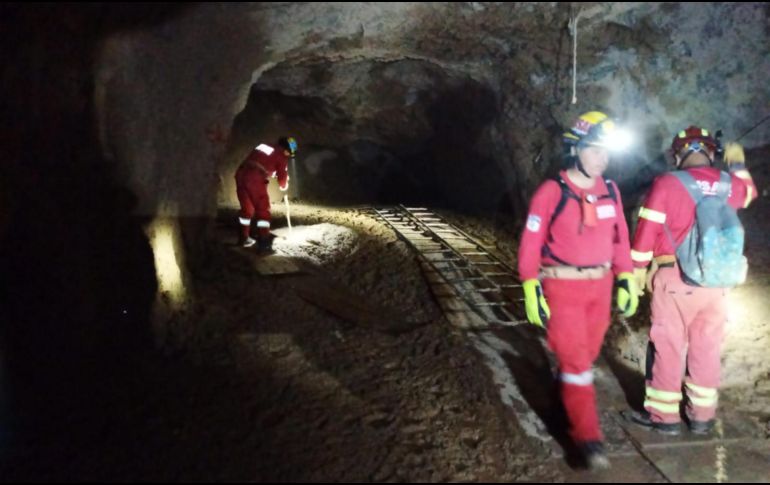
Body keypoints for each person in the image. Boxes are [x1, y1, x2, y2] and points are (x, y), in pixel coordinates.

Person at [517, 111, 638, 470]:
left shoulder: (610, 191)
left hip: (599, 288)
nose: (602, 159)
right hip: (562, 285)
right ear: (576, 150)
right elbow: (531, 241)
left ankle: (563, 396)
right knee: (577, 364)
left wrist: (627, 276)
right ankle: (587, 439)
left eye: (606, 152)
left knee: (586, 354)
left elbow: (619, 237)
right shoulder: (552, 191)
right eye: (594, 150)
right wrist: (529, 284)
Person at [626, 127, 757, 435]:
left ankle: (665, 418)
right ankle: (702, 417)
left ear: (677, 154)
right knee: (707, 347)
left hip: (675, 278)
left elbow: (647, 230)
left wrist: (636, 272)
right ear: (712, 152)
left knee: (669, 346)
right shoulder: (729, 184)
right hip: (717, 283)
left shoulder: (668, 183)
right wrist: (736, 162)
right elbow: (750, 193)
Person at [235, 137, 297, 251]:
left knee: (247, 210)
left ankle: (243, 238)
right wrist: (284, 184)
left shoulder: (264, 145)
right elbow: (282, 181)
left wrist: (273, 173)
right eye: (288, 153)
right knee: (263, 209)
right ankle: (264, 242)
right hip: (254, 178)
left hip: (241, 173)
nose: (288, 155)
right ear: (286, 149)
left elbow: (262, 163)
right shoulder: (281, 155)